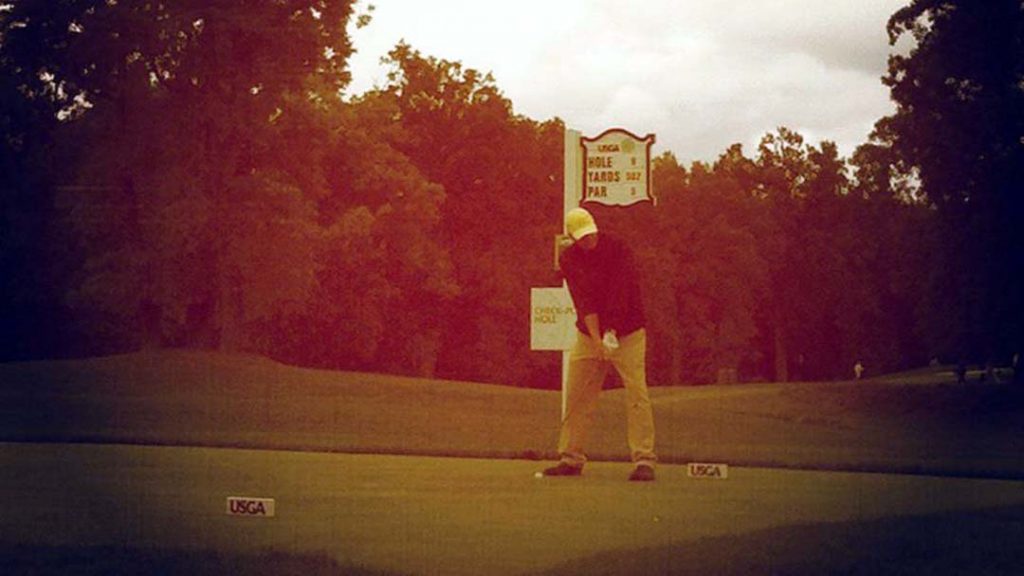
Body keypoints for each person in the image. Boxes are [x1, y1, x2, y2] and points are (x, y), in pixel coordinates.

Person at [542, 207, 657, 482]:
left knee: (637, 394)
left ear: (595, 228)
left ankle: (644, 460)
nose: (588, 240)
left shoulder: (618, 248)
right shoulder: (569, 258)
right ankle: (571, 458)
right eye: (581, 237)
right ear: (572, 237)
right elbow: (583, 301)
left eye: (590, 234)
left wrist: (611, 333)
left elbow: (621, 292)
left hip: (628, 330)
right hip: (588, 334)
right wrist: (596, 340)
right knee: (578, 393)